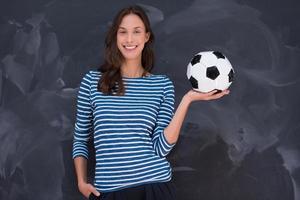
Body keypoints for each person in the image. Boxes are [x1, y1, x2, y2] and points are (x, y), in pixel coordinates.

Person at [72, 5, 230, 200]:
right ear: (115, 37)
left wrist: (187, 100)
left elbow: (161, 148)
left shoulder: (161, 85)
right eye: (123, 32)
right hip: (109, 191)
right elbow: (80, 138)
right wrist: (81, 182)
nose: (129, 39)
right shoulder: (92, 81)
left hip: (154, 188)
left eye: (136, 32)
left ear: (146, 36)